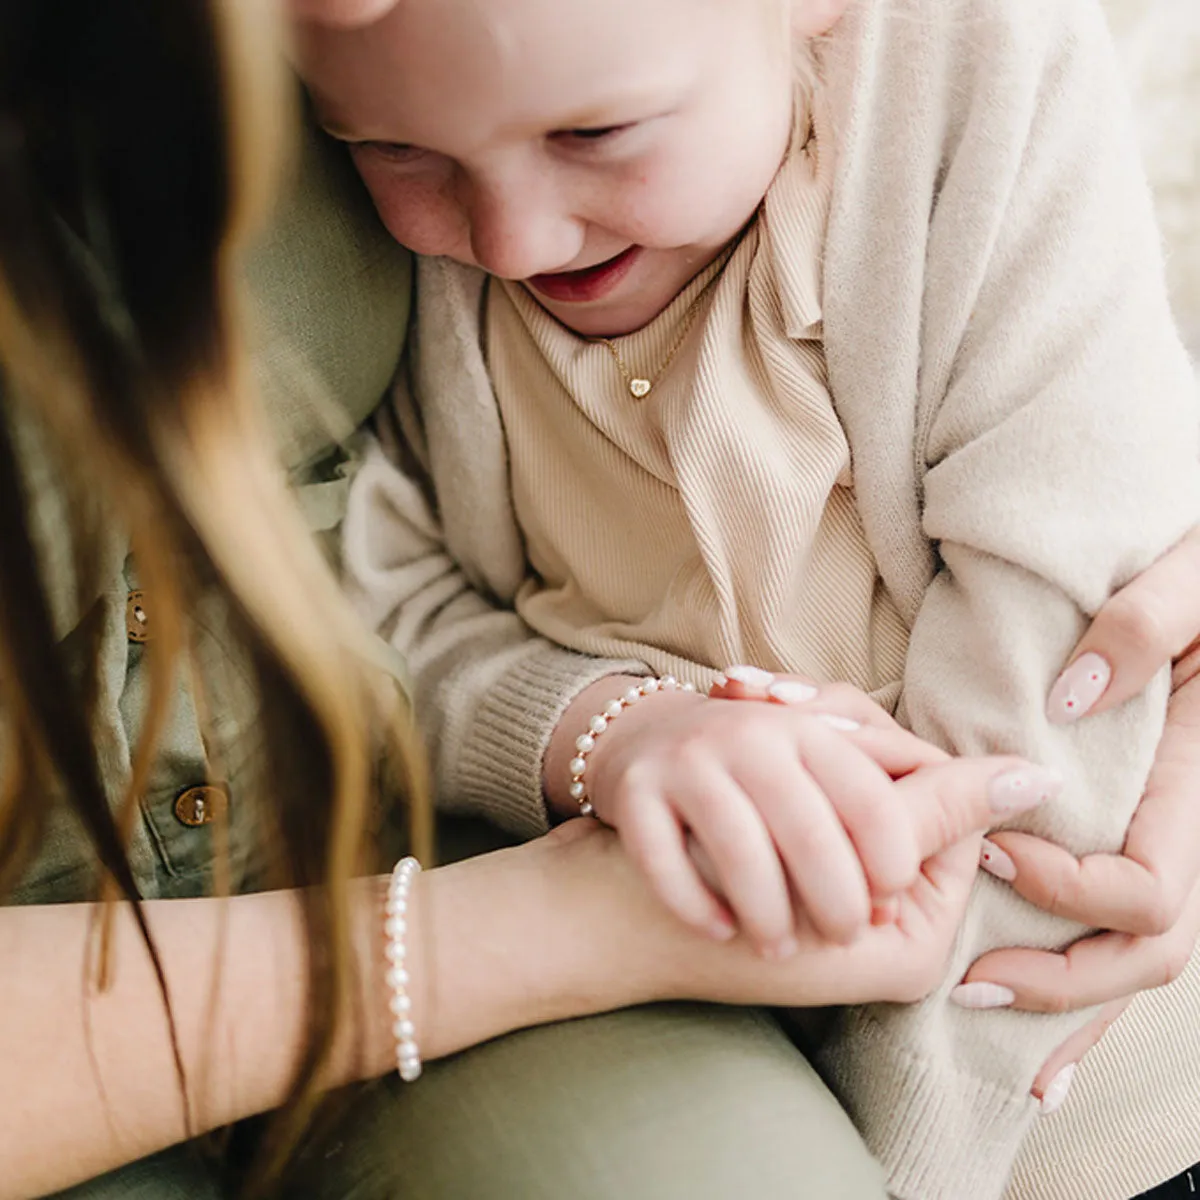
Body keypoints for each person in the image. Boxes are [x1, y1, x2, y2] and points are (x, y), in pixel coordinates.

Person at [3, 2, 1199, 1199]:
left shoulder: (970, 95)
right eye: (387, 151)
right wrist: (601, 729)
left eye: (598, 132)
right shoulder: (461, 194)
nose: (512, 239)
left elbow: (1053, 710)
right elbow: (395, 602)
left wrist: (914, 1163)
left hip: (1075, 1087)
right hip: (696, 984)